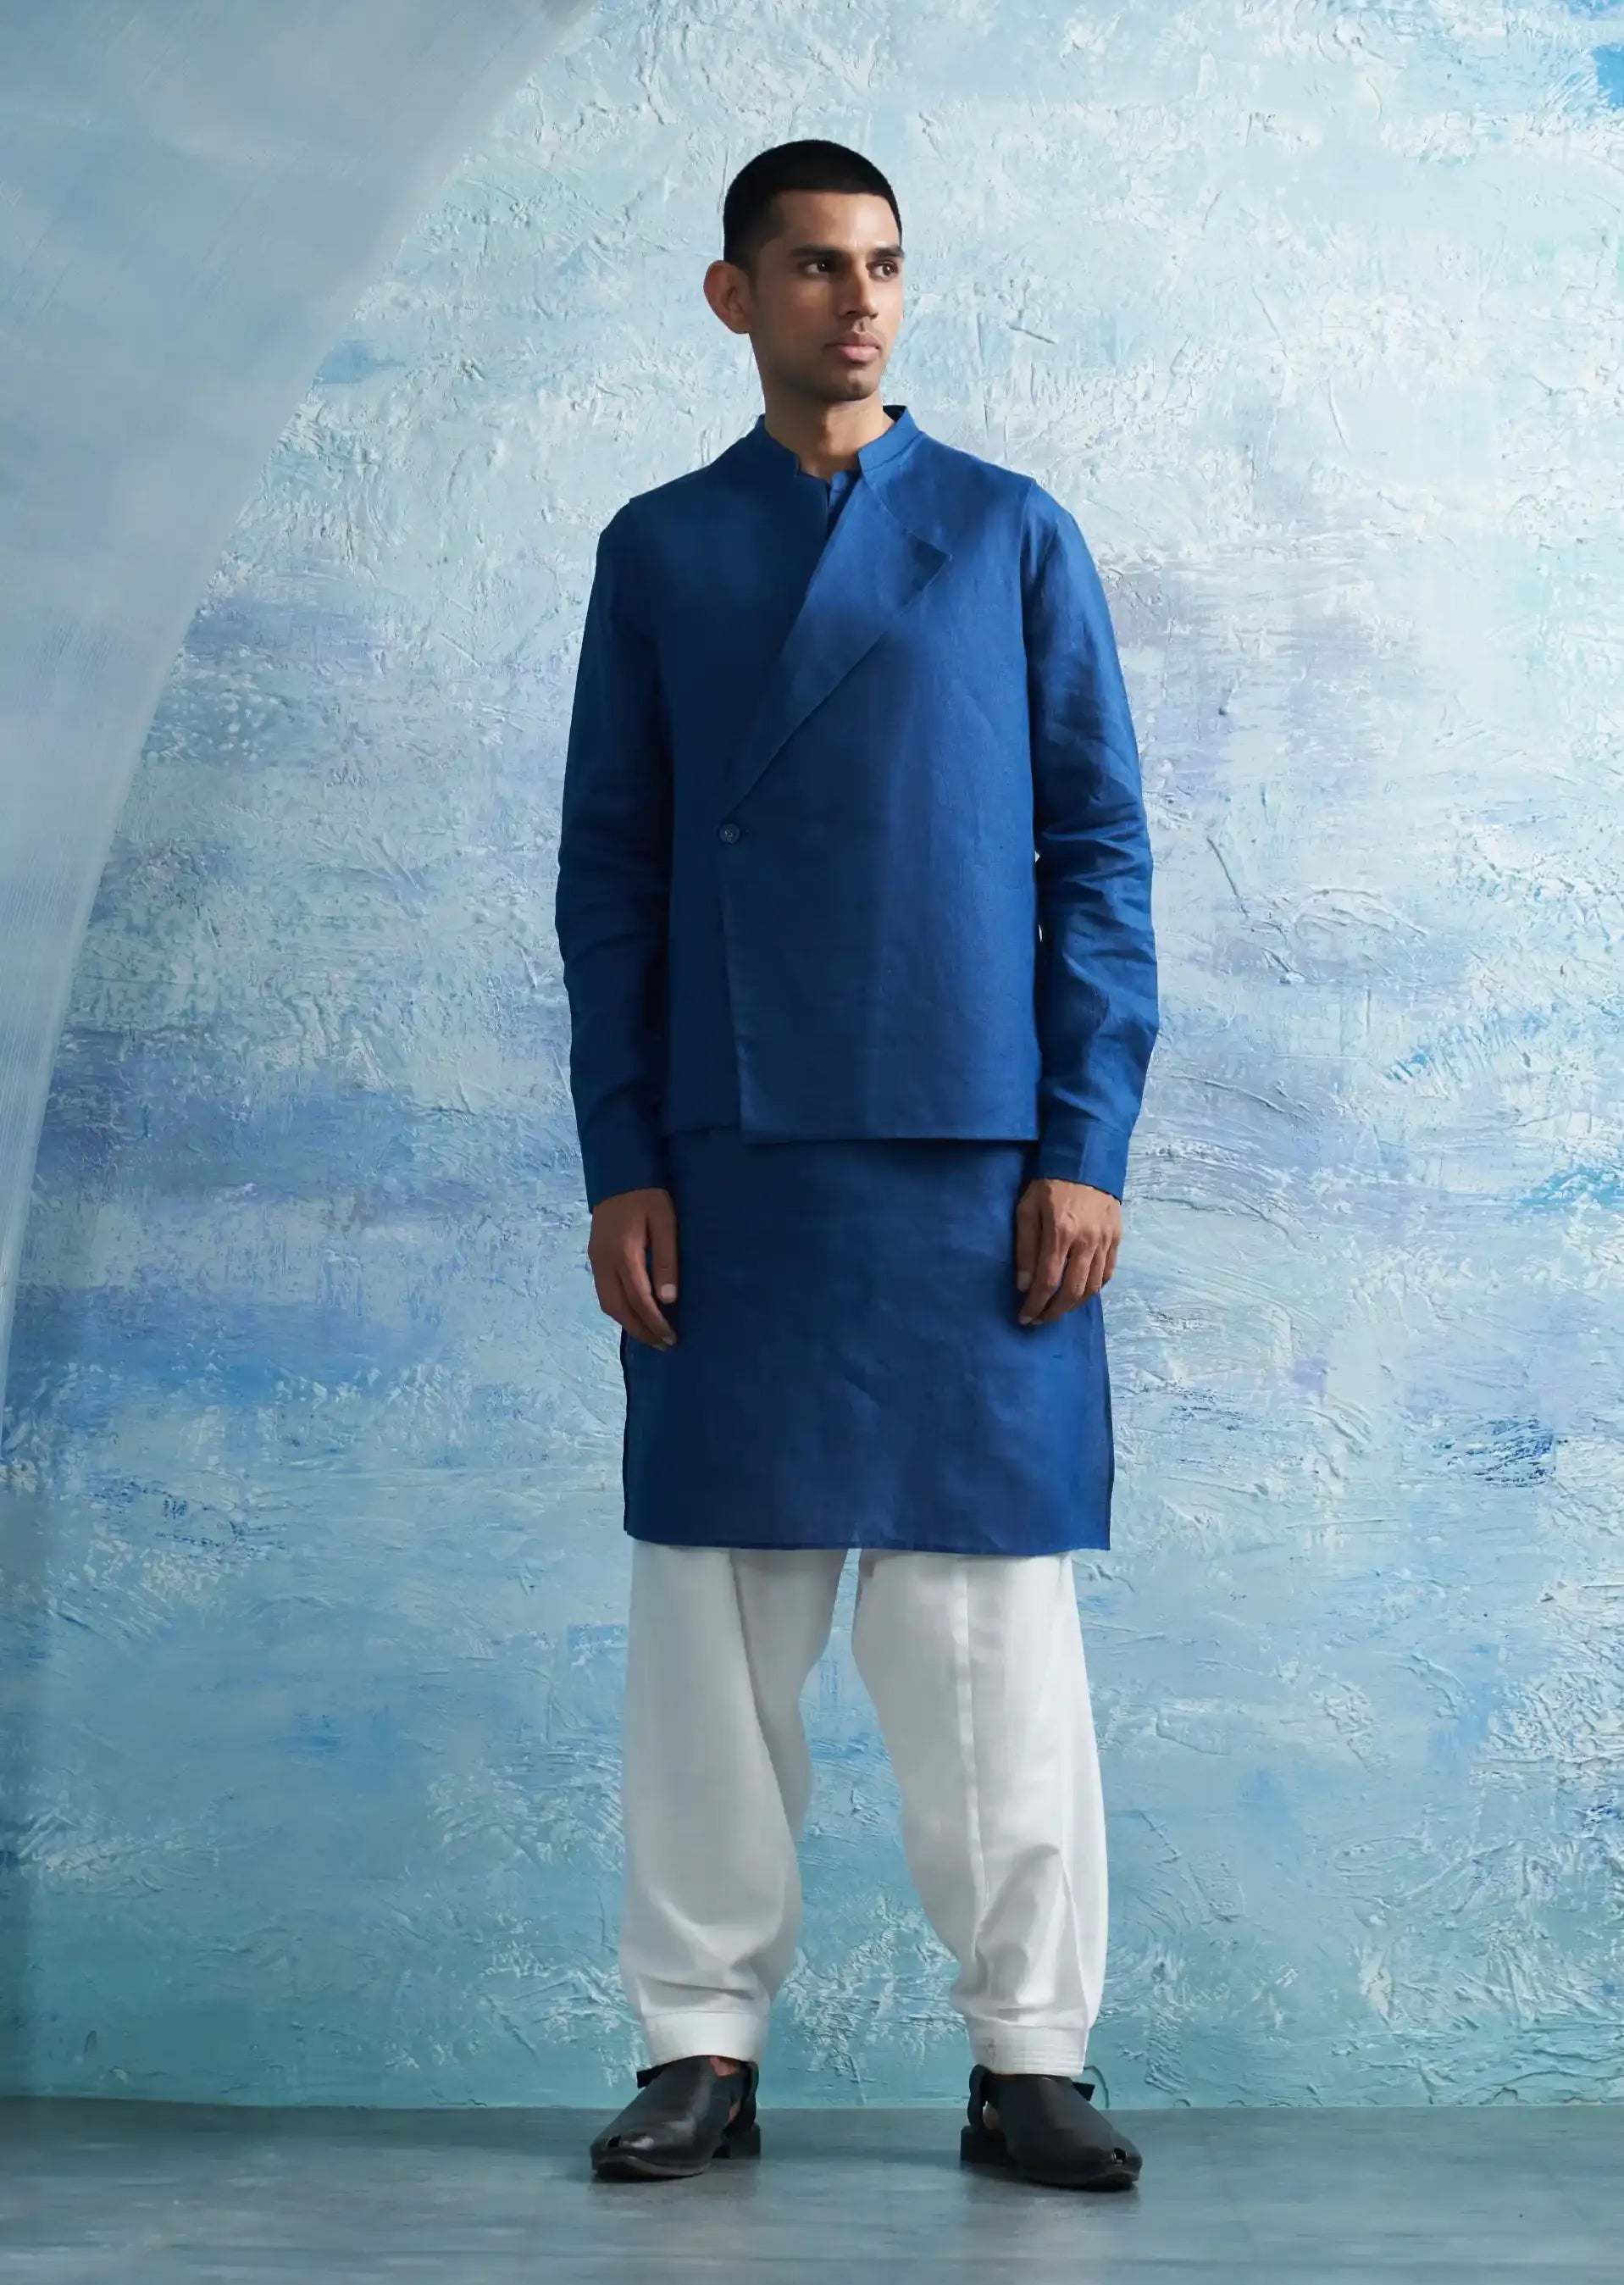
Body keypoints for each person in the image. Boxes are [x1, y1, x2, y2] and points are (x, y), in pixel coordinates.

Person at [553, 137, 1158, 2193]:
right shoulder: (658, 549)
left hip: (973, 1157)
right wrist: (622, 1156)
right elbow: (609, 877)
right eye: (814, 266)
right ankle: (697, 2043)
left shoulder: (1007, 533)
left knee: (989, 1627)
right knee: (710, 1620)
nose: (859, 300)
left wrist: (1080, 1143)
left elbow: (1097, 859)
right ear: (733, 295)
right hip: (731, 1153)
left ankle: (1029, 2054)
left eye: (884, 263)